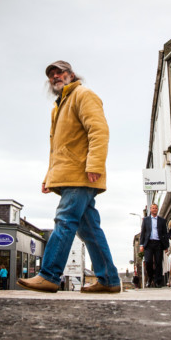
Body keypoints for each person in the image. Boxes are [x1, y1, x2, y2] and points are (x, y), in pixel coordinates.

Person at [18, 60, 121, 294]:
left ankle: (49, 275)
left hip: (81, 174)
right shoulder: (59, 106)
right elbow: (58, 147)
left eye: (60, 72)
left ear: (71, 75)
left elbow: (99, 130)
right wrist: (49, 176)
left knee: (64, 220)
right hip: (70, 174)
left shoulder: (83, 95)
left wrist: (95, 164)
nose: (55, 76)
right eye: (51, 74)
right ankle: (109, 279)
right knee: (89, 230)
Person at [139, 204, 170, 288]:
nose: (154, 209)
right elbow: (143, 233)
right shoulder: (146, 220)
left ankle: (157, 281)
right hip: (148, 243)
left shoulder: (162, 220)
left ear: (157, 209)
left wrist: (166, 246)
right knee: (148, 261)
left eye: (156, 208)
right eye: (153, 208)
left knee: (158, 262)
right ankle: (150, 277)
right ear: (150, 209)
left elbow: (165, 233)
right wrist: (141, 245)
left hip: (158, 243)